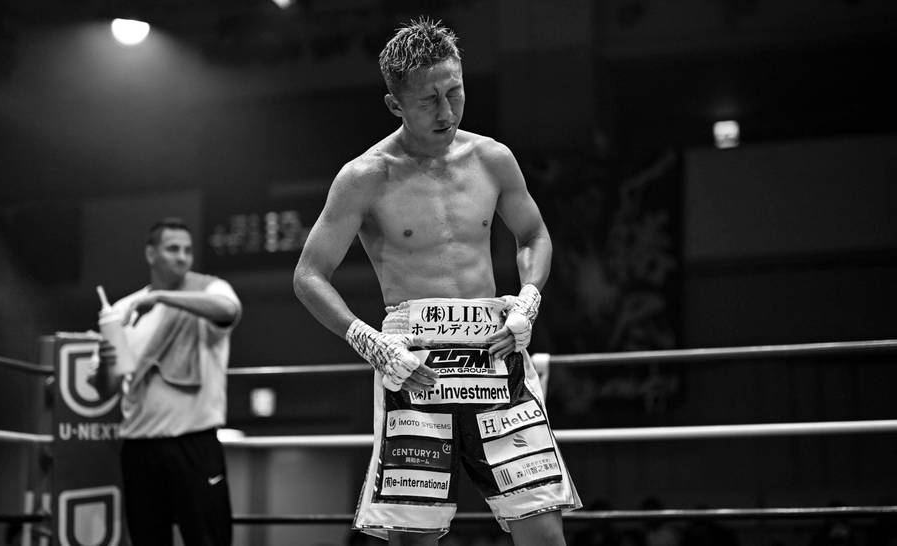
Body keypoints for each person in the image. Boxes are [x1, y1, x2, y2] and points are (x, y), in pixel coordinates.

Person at [293, 17, 580, 546]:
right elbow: (309, 276)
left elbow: (533, 235)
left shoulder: (492, 159)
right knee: (416, 538)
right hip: (414, 362)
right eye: (428, 100)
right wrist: (369, 341)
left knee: (543, 529)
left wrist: (528, 299)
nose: (446, 111)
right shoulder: (366, 177)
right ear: (395, 104)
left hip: (495, 350)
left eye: (455, 92)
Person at [93, 217, 241, 546]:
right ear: (151, 254)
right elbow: (107, 389)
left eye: (187, 250)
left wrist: (162, 297)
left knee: (209, 539)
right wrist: (105, 362)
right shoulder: (122, 309)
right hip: (139, 446)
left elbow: (229, 311)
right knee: (147, 539)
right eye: (173, 249)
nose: (182, 257)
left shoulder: (209, 289)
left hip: (195, 442)